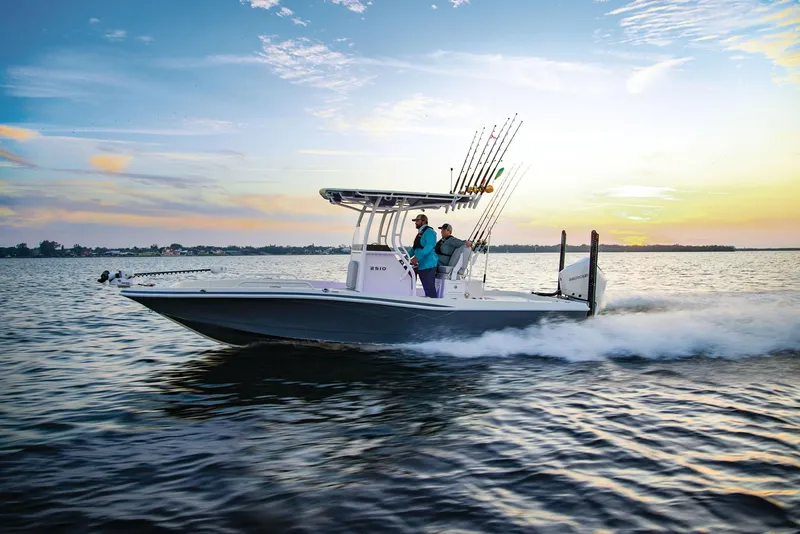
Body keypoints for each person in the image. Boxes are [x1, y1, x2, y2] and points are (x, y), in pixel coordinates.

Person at [407, 213, 438, 298]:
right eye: (415, 221)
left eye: (417, 221)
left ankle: (433, 305)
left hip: (429, 264)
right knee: (425, 287)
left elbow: (429, 246)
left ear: (424, 221)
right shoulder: (420, 233)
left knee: (429, 288)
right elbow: (415, 248)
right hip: (422, 265)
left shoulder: (430, 232)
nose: (415, 222)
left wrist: (417, 258)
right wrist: (405, 257)